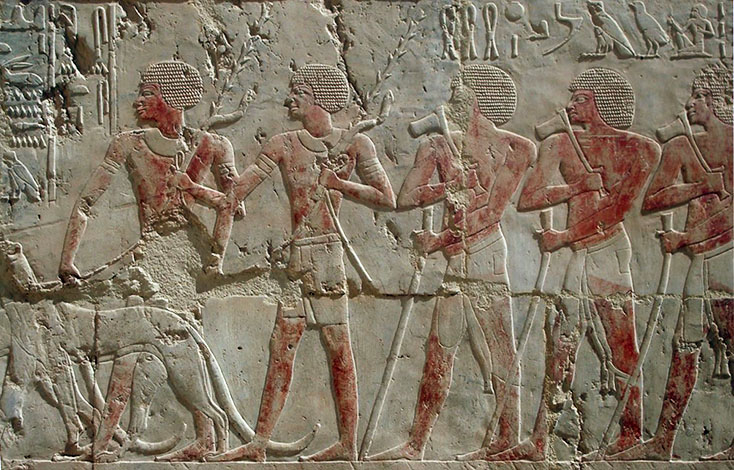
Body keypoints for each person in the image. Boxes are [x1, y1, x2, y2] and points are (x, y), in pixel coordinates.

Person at [204, 64, 396, 462]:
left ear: (320, 98)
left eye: (299, 91)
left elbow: (386, 198)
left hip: (326, 256)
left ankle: (347, 444)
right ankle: (259, 444)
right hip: (298, 257)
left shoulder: (355, 144)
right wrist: (204, 190)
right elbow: (241, 188)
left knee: (337, 348)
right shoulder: (283, 143)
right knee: (282, 347)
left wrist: (339, 184)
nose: (289, 99)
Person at [487, 68, 660, 461]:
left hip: (607, 250)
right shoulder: (559, 144)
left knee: (620, 342)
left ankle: (630, 434)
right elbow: (529, 199)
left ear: (604, 103)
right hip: (575, 254)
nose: (570, 105)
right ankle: (541, 440)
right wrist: (576, 187)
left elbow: (617, 209)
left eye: (581, 98)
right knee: (561, 344)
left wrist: (564, 236)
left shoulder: (640, 149)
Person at [368, 64, 535, 460]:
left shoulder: (516, 148)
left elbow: (491, 212)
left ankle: (506, 438)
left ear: (479, 97)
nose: (452, 96)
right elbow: (407, 197)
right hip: (456, 261)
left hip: (485, 253)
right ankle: (417, 444)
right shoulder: (438, 146)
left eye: (459, 89)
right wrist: (449, 186)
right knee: (439, 350)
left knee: (500, 349)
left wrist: (438, 239)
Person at [614, 63, 733, 461]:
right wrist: (699, 186)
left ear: (716, 102)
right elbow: (653, 199)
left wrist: (685, 237)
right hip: (700, 261)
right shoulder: (681, 147)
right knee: (684, 347)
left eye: (698, 96)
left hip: (727, 258)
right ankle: (663, 441)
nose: (690, 103)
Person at [59, 61, 239, 280]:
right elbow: (86, 202)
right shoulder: (128, 143)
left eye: (147, 93)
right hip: (151, 250)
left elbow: (234, 205)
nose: (137, 101)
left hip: (191, 252)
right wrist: (67, 262)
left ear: (172, 97)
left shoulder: (215, 145)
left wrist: (192, 188)